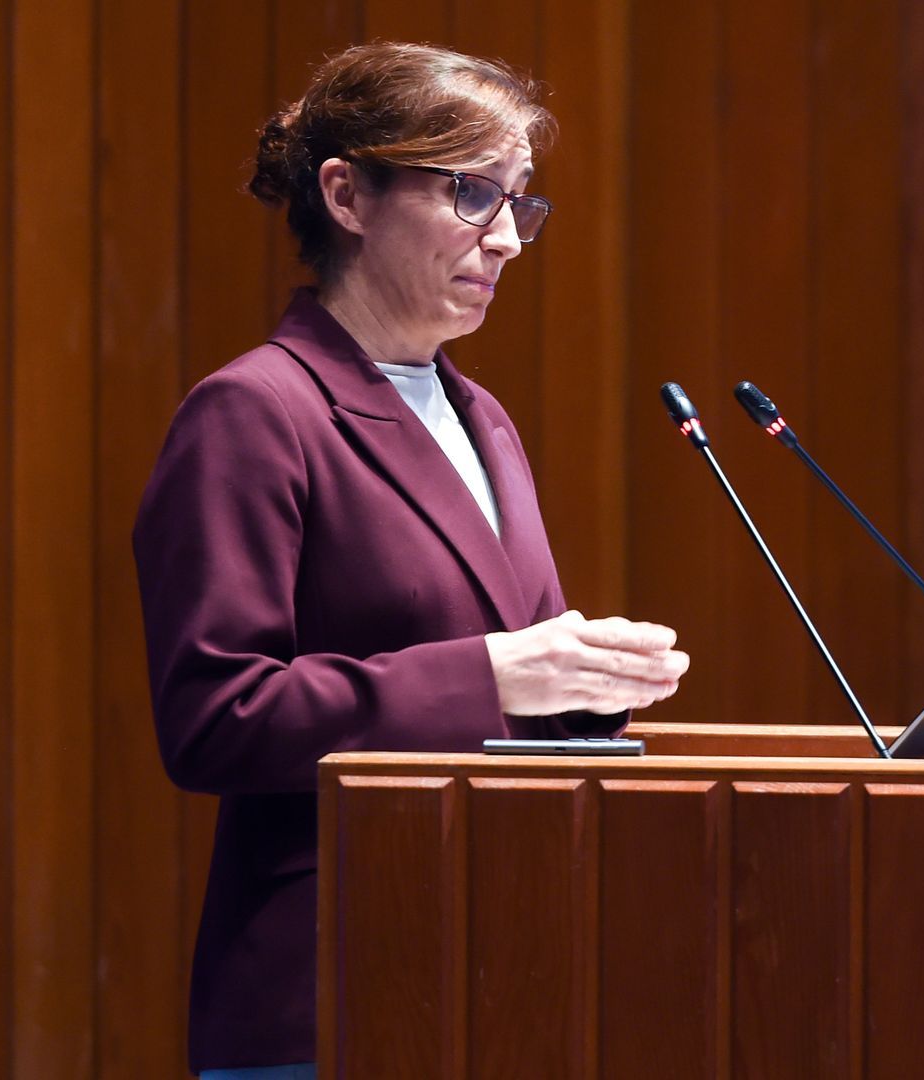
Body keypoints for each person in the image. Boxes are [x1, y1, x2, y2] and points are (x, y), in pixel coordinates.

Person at [132, 42, 691, 1079]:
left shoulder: (482, 418)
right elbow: (214, 722)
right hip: (335, 986)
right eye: (473, 194)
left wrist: (590, 684)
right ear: (347, 195)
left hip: (504, 975)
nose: (510, 239)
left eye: (522, 202)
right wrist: (496, 673)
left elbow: (510, 689)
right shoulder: (255, 413)